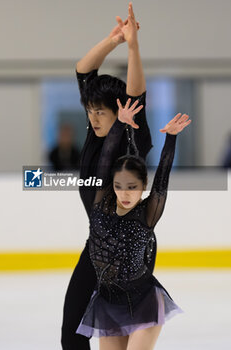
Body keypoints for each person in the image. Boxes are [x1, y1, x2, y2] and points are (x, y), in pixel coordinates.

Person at [61, 4, 155, 349]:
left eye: (100, 112)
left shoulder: (132, 135)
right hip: (96, 245)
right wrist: (113, 39)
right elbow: (83, 70)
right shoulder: (94, 132)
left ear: (120, 110)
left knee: (121, 337)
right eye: (89, 112)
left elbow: (136, 93)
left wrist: (132, 47)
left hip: (126, 250)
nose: (94, 118)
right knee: (71, 333)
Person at [76, 99, 191, 350]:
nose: (125, 193)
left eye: (132, 187)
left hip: (144, 301)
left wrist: (170, 138)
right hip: (107, 303)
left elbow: (163, 177)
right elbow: (106, 158)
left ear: (142, 187)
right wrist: (118, 124)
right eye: (119, 186)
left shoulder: (148, 212)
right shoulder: (100, 205)